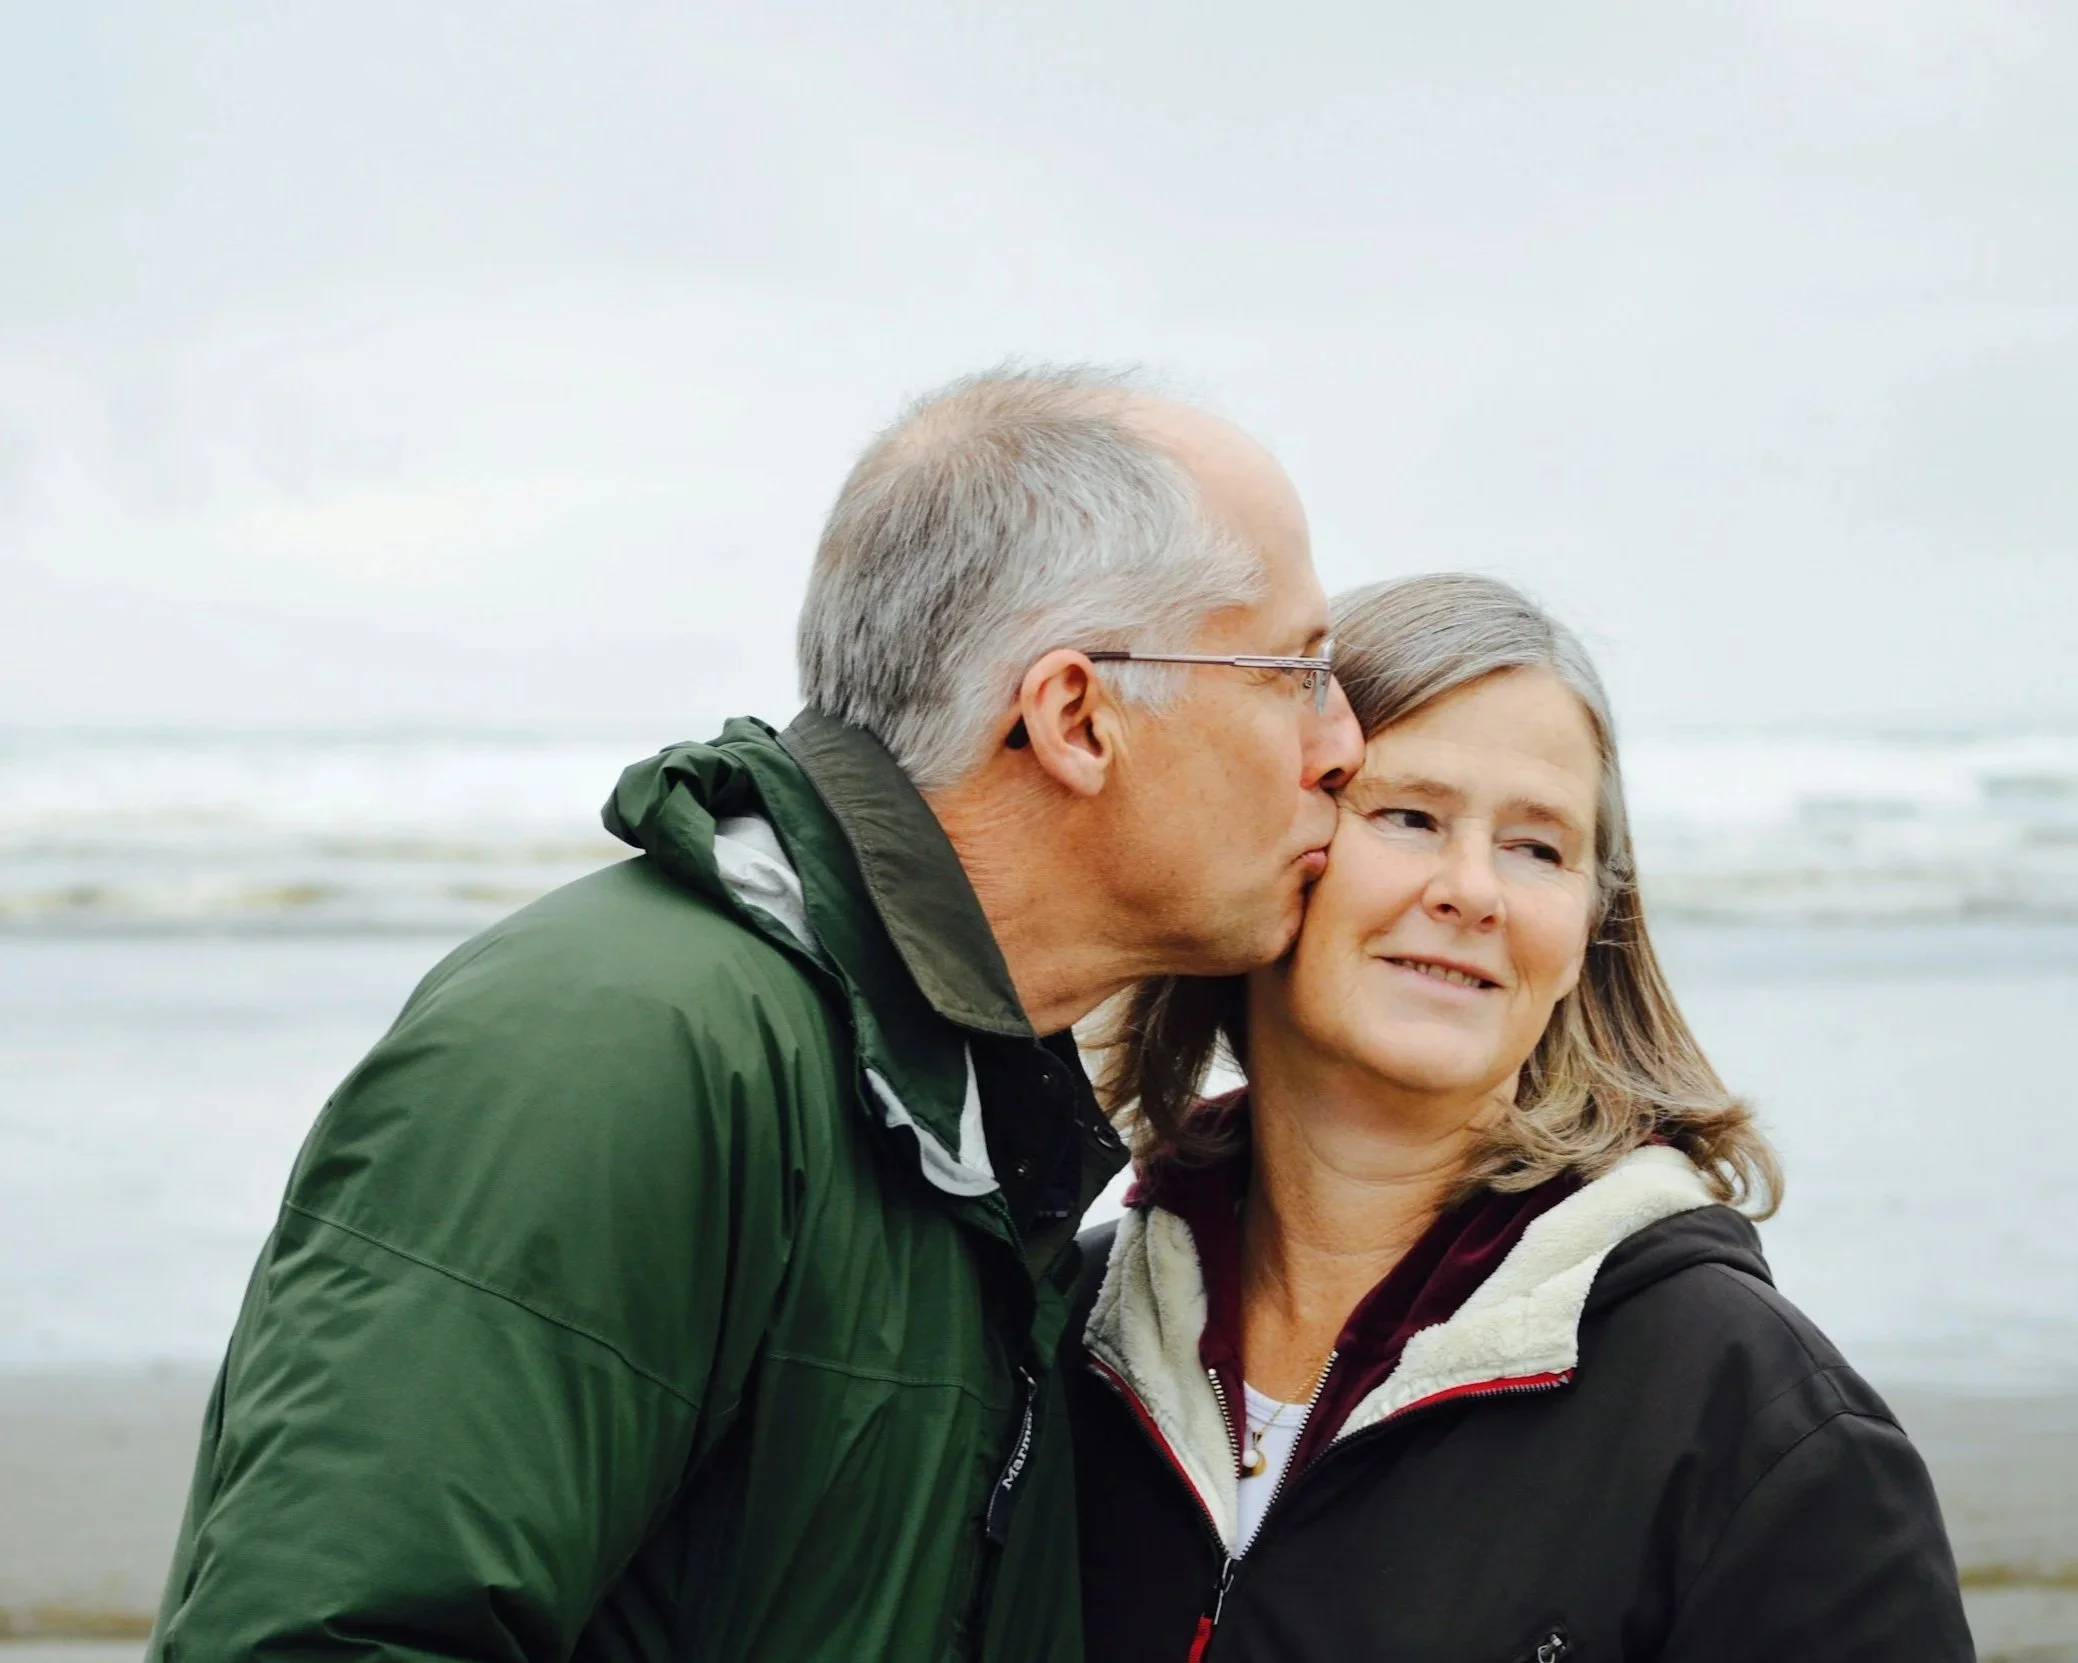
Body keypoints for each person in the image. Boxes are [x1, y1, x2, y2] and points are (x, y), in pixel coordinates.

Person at [147, 367, 1363, 1663]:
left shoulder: (962, 1118)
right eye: (1292, 670)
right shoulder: (623, 1045)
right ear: (1074, 715)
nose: (1341, 742)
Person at [1071, 572, 1972, 1662]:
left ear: (1591, 923)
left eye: (1536, 846)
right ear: (1278, 838)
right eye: (1407, 816)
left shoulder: (1753, 1418)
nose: (1470, 889)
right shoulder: (1064, 1331)